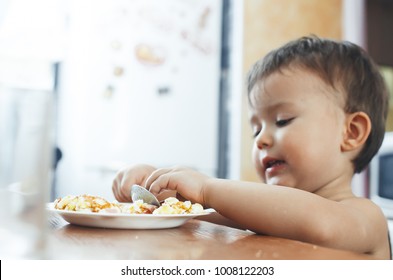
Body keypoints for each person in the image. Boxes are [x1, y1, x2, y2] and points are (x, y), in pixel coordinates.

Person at [112, 35, 391, 259]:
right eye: (255, 128)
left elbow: (321, 225)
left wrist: (207, 189)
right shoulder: (263, 213)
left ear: (351, 133)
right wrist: (159, 185)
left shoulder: (366, 217)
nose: (260, 139)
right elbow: (202, 208)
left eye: (282, 121)